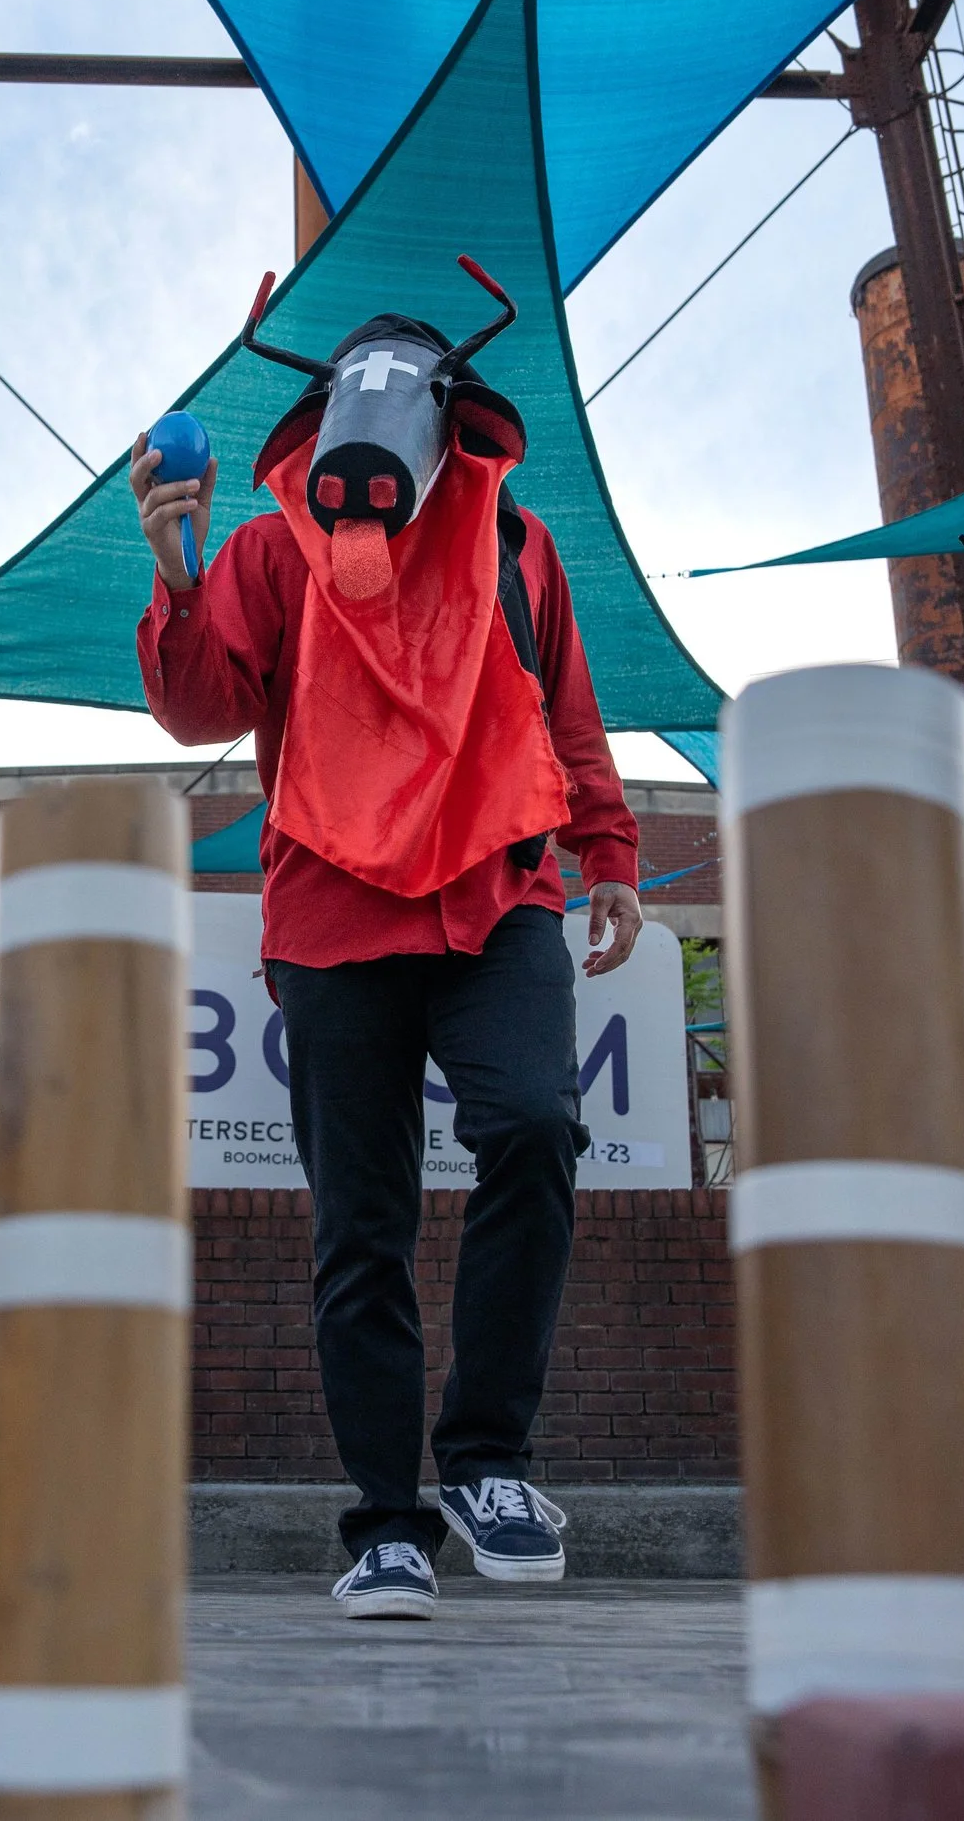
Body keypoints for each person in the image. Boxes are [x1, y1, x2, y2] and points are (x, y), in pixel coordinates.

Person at [134, 273, 642, 1620]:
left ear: (453, 416)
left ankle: (488, 1458)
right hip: (331, 913)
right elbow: (198, 709)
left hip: (499, 893)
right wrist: (179, 573)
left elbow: (566, 714)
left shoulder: (522, 546)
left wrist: (613, 857)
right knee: (360, 1223)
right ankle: (387, 1525)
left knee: (533, 1127)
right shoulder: (271, 550)